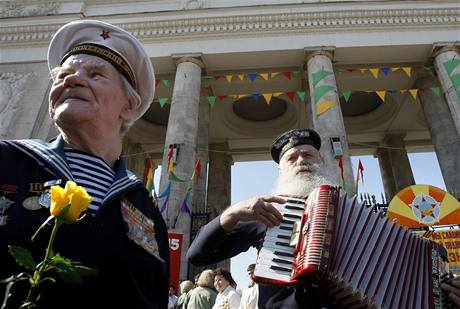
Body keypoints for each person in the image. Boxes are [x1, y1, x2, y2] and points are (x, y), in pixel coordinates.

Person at [187, 128, 460, 308]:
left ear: (321, 161)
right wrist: (231, 214)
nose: (301, 160)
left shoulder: (363, 216)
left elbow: (407, 276)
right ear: (282, 171)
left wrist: (445, 291)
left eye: (308, 154)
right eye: (291, 158)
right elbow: (198, 255)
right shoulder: (267, 213)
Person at [0, 20, 169, 308]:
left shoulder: (145, 207)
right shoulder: (8, 160)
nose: (72, 80)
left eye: (95, 74)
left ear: (128, 105)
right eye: (63, 75)